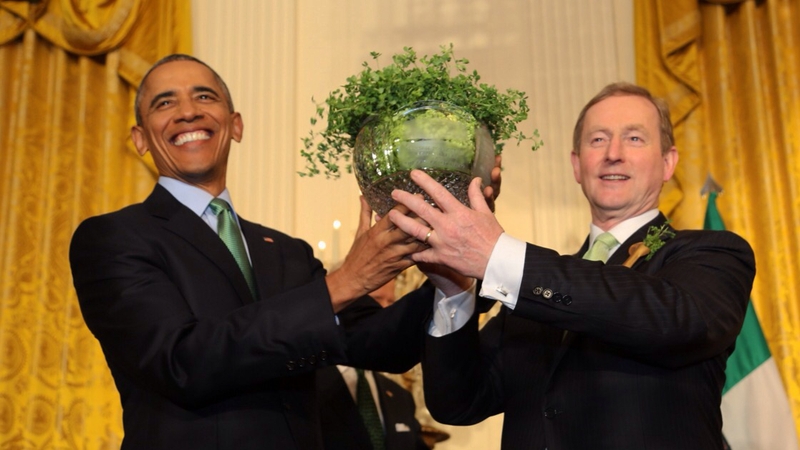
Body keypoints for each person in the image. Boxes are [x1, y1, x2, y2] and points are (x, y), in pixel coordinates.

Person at [68, 54, 436, 450]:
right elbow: (179, 362)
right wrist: (343, 283)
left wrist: (459, 270)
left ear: (235, 125)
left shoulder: (287, 253)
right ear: (140, 139)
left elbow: (384, 346)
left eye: (204, 96)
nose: (188, 112)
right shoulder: (113, 237)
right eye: (165, 102)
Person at [388, 82, 756, 450]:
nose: (613, 154)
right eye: (598, 140)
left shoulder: (714, 253)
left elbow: (675, 320)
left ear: (668, 162)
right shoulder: (527, 286)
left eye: (634, 138)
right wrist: (454, 292)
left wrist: (497, 255)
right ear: (577, 165)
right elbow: (459, 402)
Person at [317, 277, 429, 450]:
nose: (385, 309)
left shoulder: (400, 397)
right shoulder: (306, 384)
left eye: (391, 302)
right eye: (375, 300)